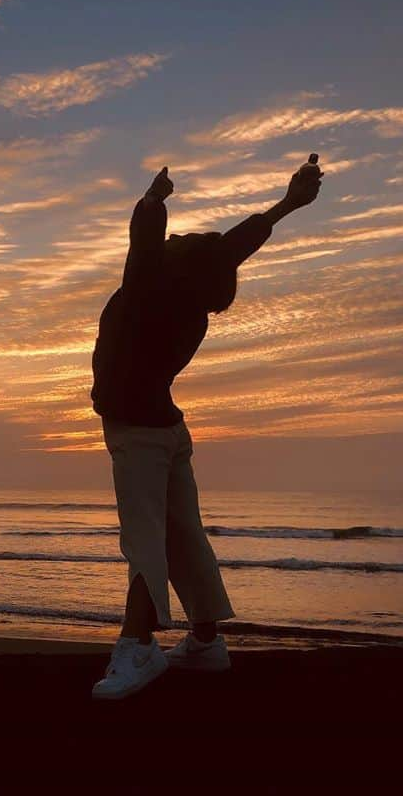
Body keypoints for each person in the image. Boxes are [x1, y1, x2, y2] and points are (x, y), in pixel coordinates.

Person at [89, 157, 323, 699]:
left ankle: (138, 647)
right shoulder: (191, 305)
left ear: (179, 264)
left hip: (140, 433)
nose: (176, 243)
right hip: (169, 429)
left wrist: (152, 206)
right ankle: (204, 640)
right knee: (184, 536)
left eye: (181, 244)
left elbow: (161, 247)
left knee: (144, 537)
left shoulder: (153, 289)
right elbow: (231, 248)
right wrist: (287, 205)